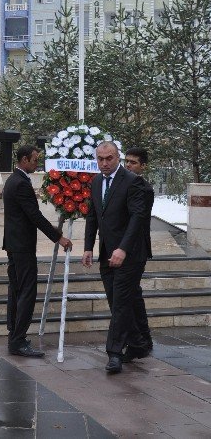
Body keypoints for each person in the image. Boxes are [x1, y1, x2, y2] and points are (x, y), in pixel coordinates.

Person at [82, 141, 149, 374]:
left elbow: (137, 218)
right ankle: (140, 343)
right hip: (106, 253)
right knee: (117, 301)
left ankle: (114, 353)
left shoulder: (133, 182)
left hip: (129, 255)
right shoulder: (97, 181)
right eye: (100, 159)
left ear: (117, 157)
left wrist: (123, 249)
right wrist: (88, 246)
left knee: (120, 303)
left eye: (109, 158)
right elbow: (93, 216)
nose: (104, 163)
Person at [3, 145, 72, 357]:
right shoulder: (21, 183)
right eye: (34, 160)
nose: (36, 163)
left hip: (15, 244)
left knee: (16, 290)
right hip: (22, 247)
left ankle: (14, 335)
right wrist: (58, 237)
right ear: (24, 160)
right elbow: (34, 216)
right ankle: (18, 340)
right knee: (26, 292)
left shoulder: (13, 180)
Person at [123, 147, 154, 360]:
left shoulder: (143, 188)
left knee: (129, 295)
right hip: (127, 249)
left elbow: (137, 219)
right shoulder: (126, 184)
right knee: (134, 295)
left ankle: (139, 342)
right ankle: (143, 338)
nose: (128, 166)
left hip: (136, 250)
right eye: (127, 161)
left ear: (143, 166)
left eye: (133, 162)